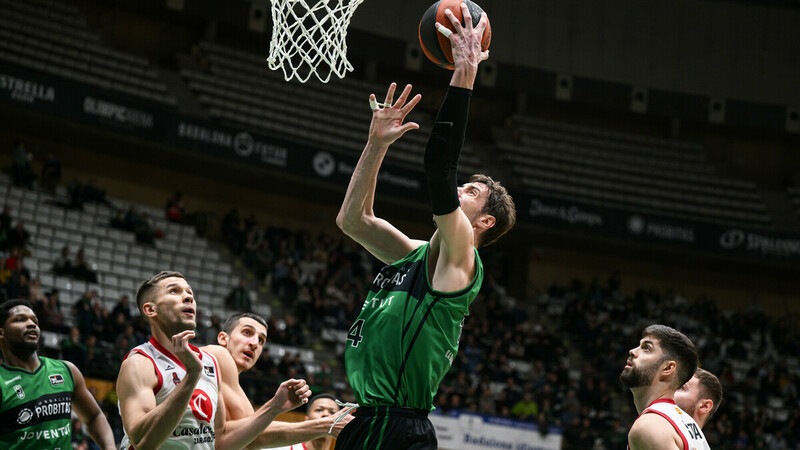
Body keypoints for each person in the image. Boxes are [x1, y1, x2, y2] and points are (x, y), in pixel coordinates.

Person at [334, 5, 515, 449]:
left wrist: (465, 73)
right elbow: (353, 220)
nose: (458, 188)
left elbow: (437, 164)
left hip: (398, 427)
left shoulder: (461, 257)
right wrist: (375, 145)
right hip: (368, 417)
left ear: (484, 221)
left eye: (470, 191)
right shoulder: (418, 254)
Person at [116, 271, 312, 449]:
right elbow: (140, 440)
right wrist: (192, 377)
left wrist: (275, 407)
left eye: (190, 293)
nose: (188, 297)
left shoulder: (209, 363)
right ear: (151, 310)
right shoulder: (140, 362)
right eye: (174, 291)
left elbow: (220, 440)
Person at [202, 312, 352, 448]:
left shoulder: (226, 381)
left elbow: (239, 435)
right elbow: (254, 437)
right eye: (247, 332)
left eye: (261, 340)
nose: (254, 344)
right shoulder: (217, 354)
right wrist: (326, 425)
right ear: (223, 338)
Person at [0, 299, 116, 449]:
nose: (31, 324)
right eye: (20, 319)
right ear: (2, 333)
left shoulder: (67, 370)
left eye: (35, 320)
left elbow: (95, 417)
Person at [620, 324, 710, 449]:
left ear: (667, 368)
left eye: (646, 348)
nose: (633, 351)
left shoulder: (649, 426)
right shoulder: (689, 425)